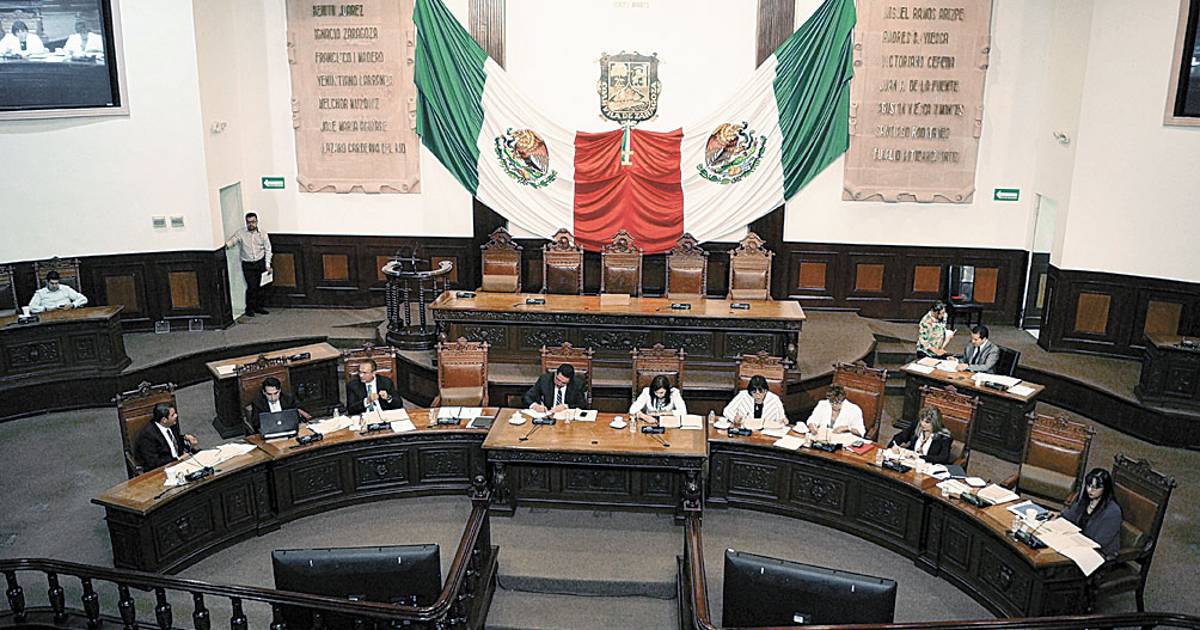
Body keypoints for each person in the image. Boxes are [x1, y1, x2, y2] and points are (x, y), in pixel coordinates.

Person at [1059, 468, 1123, 560]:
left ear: (1105, 489)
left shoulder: (1113, 511)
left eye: (1096, 487)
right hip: (1077, 543)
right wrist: (1058, 516)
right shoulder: (1086, 500)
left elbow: (1099, 542)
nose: (1090, 490)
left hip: (1098, 553)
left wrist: (1074, 542)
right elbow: (1070, 516)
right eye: (1089, 485)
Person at [224, 212, 273, 317]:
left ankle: (258, 306)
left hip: (260, 262)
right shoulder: (241, 233)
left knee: (261, 286)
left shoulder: (263, 234)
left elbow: (268, 249)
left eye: (253, 222)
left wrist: (267, 265)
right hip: (248, 264)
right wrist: (226, 245)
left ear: (257, 222)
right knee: (251, 286)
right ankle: (249, 308)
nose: (251, 224)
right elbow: (233, 240)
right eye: (249, 222)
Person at [133, 403, 199, 471]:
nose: (176, 415)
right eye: (172, 415)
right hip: (163, 469)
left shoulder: (171, 424)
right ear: (164, 420)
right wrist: (178, 459)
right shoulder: (147, 436)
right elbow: (153, 462)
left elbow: (174, 441)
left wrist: (187, 441)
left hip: (181, 463)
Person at [888, 406, 954, 464]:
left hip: (928, 468)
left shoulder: (945, 437)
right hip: (910, 463)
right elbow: (900, 437)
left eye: (927, 422)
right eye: (922, 420)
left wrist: (920, 457)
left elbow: (942, 458)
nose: (922, 424)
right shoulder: (917, 426)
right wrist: (894, 445)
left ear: (935, 423)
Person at [722, 374, 787, 428]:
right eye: (754, 391)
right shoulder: (742, 395)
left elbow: (781, 418)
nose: (757, 394)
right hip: (745, 430)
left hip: (766, 433)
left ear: (766, 390)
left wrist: (784, 420)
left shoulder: (774, 399)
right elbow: (727, 411)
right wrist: (734, 418)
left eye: (761, 391)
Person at [522, 363, 587, 413]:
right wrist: (535, 406)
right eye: (558, 380)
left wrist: (566, 406)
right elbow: (527, 397)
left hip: (566, 418)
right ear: (556, 374)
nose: (559, 384)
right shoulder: (544, 380)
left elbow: (582, 405)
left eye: (564, 383)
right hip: (547, 415)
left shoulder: (577, 384)